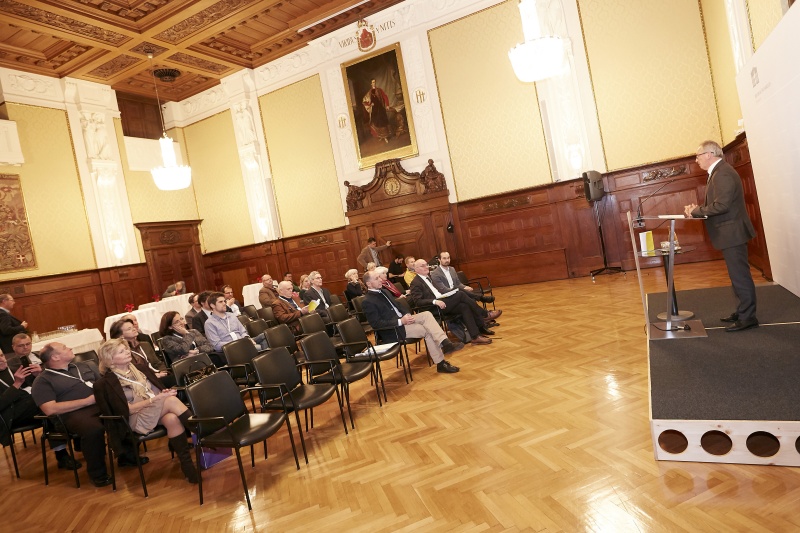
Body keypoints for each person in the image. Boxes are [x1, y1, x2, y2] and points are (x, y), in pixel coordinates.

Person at [32, 342, 144, 487]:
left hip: (100, 404)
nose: (70, 347)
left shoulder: (83, 366)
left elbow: (105, 383)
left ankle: (125, 456)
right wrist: (85, 402)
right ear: (55, 357)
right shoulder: (43, 380)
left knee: (125, 412)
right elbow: (50, 409)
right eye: (65, 348)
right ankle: (97, 474)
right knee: (93, 429)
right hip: (73, 414)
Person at [94, 338, 198, 483]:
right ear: (110, 360)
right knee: (171, 401)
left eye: (126, 349)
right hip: (133, 419)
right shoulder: (105, 383)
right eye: (121, 351)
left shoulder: (140, 369)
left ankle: (188, 467)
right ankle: (202, 430)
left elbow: (156, 390)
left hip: (155, 410)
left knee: (172, 419)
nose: (127, 352)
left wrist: (164, 393)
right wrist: (157, 399)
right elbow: (126, 410)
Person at [684, 140, 758, 332]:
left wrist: (696, 211)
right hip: (730, 232)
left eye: (698, 155)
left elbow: (722, 205)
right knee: (737, 276)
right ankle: (743, 310)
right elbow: (721, 204)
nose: (696, 159)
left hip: (732, 232)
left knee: (740, 276)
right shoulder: (719, 172)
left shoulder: (722, 173)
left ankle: (748, 317)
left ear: (709, 154)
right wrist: (698, 210)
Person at [361, 271, 461, 374]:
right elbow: (376, 324)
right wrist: (400, 321)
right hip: (394, 330)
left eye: (379, 277)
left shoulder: (385, 292)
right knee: (426, 330)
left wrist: (406, 314)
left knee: (426, 314)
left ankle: (445, 342)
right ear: (369, 284)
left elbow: (398, 306)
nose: (381, 280)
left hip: (404, 320)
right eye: (377, 278)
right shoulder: (367, 301)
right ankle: (441, 363)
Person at [1, 350, 82, 469]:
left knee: (54, 401)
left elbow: (37, 387)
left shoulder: (15, 368)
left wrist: (38, 375)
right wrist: (17, 384)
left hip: (31, 405)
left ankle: (74, 438)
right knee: (48, 406)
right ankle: (65, 450)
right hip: (10, 415)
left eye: (2, 355)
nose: (1, 359)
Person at [409, 259, 500, 345]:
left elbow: (437, 292)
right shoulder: (415, 283)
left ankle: (475, 336)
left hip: (442, 302)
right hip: (434, 308)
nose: (426, 267)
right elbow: (418, 302)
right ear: (416, 269)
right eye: (422, 266)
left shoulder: (429, 277)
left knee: (464, 306)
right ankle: (484, 314)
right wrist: (434, 301)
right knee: (460, 294)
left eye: (426, 264)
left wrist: (447, 294)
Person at [109, 319, 175, 387]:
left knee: (176, 376)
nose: (134, 329)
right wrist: (153, 376)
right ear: (121, 336)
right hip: (143, 381)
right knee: (174, 380)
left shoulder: (145, 345)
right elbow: (133, 372)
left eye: (133, 327)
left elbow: (158, 363)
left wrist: (163, 371)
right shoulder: (124, 353)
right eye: (129, 329)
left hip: (159, 375)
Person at [431, 251, 495, 304]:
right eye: (444, 258)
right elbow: (443, 290)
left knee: (470, 298)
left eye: (448, 258)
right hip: (447, 295)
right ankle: (481, 298)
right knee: (461, 292)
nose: (447, 260)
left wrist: (464, 287)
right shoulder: (435, 273)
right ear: (439, 260)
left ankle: (480, 314)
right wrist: (457, 290)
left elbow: (458, 283)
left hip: (458, 292)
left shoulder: (452, 269)